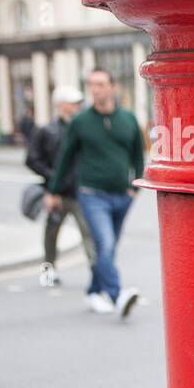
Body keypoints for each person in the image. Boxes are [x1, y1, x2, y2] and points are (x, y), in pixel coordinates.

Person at [45, 68, 144, 320]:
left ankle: (93, 291)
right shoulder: (81, 122)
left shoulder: (128, 119)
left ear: (112, 87)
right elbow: (65, 158)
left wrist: (134, 188)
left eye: (100, 84)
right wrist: (53, 191)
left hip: (122, 196)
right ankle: (117, 296)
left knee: (108, 249)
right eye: (91, 85)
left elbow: (138, 154)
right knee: (105, 243)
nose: (95, 89)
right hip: (92, 194)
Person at [26, 85, 95, 288]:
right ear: (61, 105)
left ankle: (98, 274)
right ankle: (48, 272)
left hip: (80, 193)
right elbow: (32, 159)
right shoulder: (46, 131)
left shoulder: (82, 129)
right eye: (73, 103)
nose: (77, 106)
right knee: (51, 236)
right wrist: (52, 179)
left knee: (89, 234)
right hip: (56, 194)